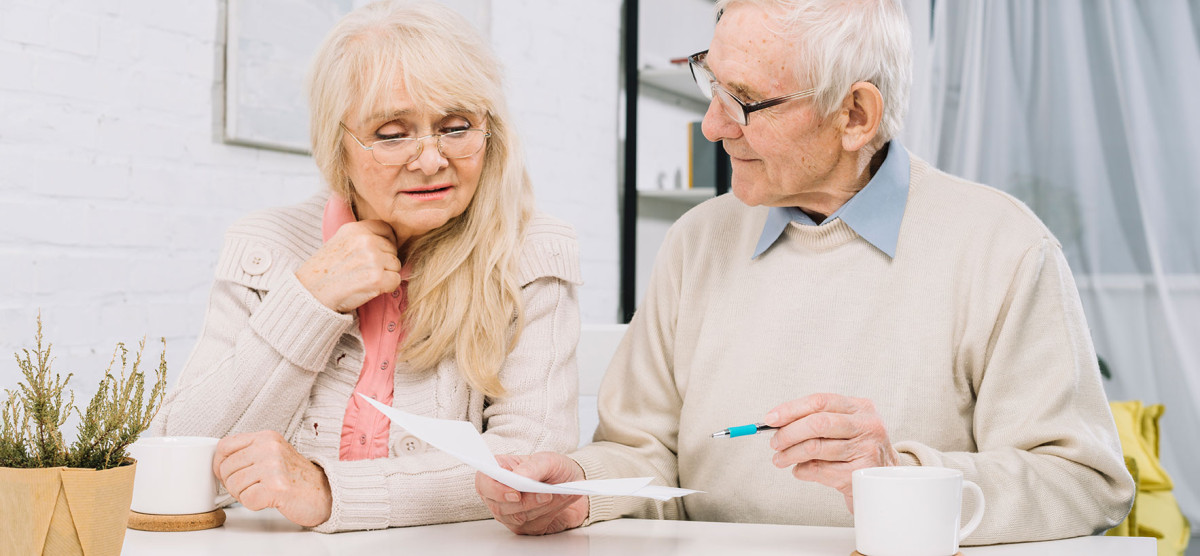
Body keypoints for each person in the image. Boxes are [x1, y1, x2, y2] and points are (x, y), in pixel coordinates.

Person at [475, 0, 1135, 544]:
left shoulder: (1003, 246)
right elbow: (646, 457)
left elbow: (1081, 482)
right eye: (711, 82)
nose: (711, 125)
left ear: (855, 115)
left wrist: (895, 477)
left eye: (743, 101)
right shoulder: (695, 242)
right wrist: (577, 488)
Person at [151, 0, 582, 533]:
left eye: (455, 126)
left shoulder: (532, 251)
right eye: (392, 133)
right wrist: (310, 299)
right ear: (339, 147)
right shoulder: (266, 245)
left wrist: (330, 492)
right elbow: (174, 456)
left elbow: (529, 468)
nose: (429, 160)